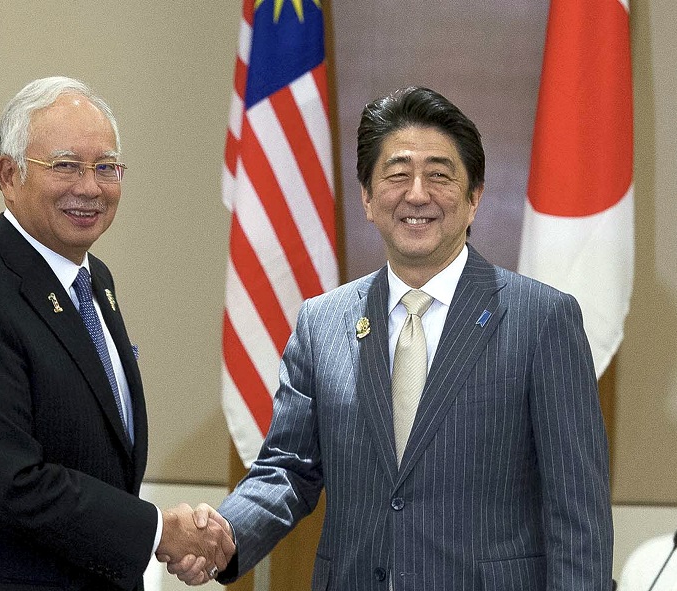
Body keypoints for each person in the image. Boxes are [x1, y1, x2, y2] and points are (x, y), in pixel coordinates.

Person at [171, 86, 614, 589]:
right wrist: (226, 533)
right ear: (367, 198)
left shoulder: (542, 320)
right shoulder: (322, 323)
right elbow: (287, 469)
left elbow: (578, 513)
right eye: (398, 174)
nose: (418, 194)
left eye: (440, 176)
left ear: (474, 199)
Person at [0, 76, 233, 590]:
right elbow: (11, 486)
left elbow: (100, 457)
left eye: (106, 167)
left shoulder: (95, 282)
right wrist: (158, 531)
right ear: (8, 174)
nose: (89, 187)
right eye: (65, 165)